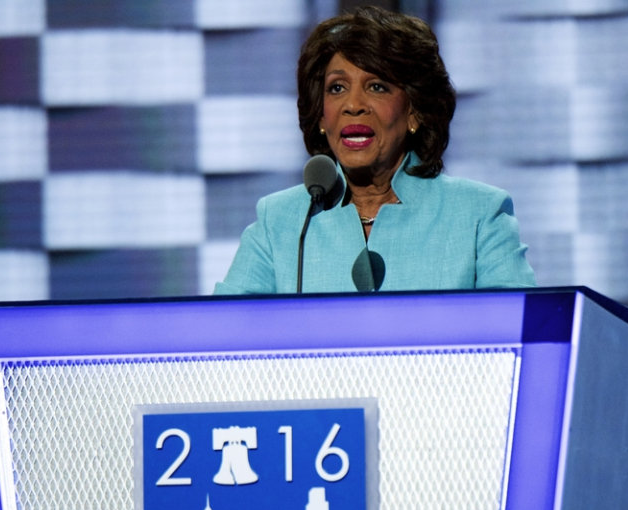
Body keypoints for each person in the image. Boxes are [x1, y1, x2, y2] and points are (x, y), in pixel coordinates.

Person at [215, 6, 536, 294]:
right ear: (321, 116)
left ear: (415, 111)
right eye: (337, 88)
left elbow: (521, 331)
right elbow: (222, 336)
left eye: (377, 86)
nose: (352, 105)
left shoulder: (479, 214)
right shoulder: (282, 221)